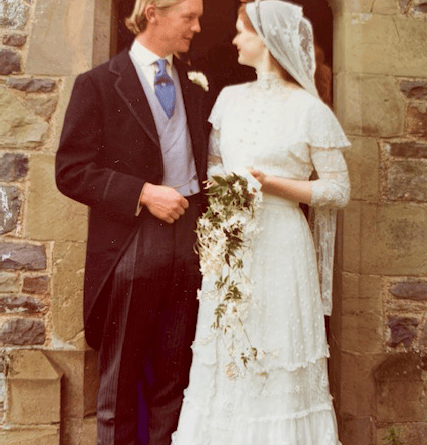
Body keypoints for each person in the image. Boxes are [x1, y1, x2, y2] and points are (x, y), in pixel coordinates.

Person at [172, 1, 350, 443]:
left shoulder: (310, 110)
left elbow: (337, 190)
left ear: (268, 40)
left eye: (241, 31)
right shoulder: (228, 100)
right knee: (228, 350)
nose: (234, 39)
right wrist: (229, 191)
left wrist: (272, 185)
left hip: (283, 246)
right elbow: (211, 169)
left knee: (277, 349)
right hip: (233, 246)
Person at [55, 1, 208, 444]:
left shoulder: (196, 89)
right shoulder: (99, 84)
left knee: (174, 375)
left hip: (190, 242)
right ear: (153, 13)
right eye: (190, 17)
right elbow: (71, 171)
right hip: (131, 242)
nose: (198, 27)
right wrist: (142, 193)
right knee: (120, 383)